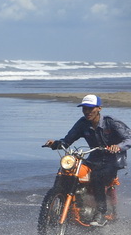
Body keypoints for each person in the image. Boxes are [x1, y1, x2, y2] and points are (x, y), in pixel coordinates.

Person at [44, 94, 131, 226]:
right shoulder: (82, 123)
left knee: (97, 176)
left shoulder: (111, 122)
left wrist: (117, 147)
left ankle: (101, 214)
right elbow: (67, 141)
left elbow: (129, 138)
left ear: (99, 108)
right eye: (85, 108)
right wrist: (55, 144)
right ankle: (58, 198)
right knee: (67, 169)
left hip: (112, 160)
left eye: (91, 108)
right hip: (94, 159)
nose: (87, 111)